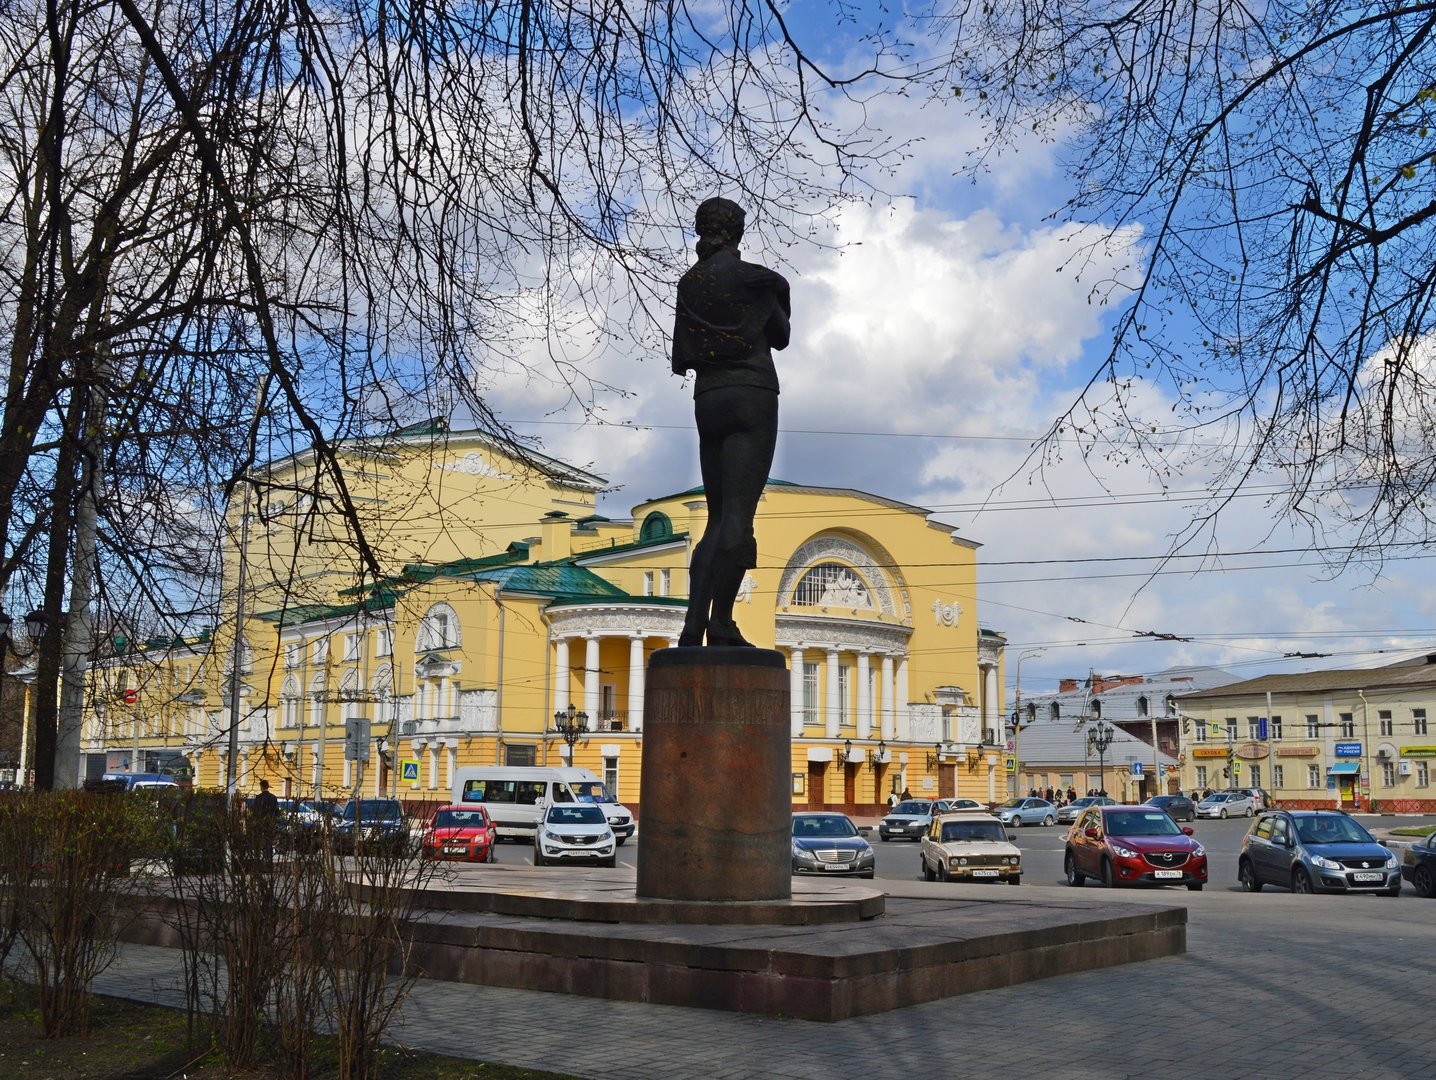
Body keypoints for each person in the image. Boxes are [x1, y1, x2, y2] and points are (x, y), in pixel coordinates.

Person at [671, 197, 790, 647]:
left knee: (717, 516)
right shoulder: (755, 278)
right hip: (752, 393)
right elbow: (781, 336)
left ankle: (692, 626)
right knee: (739, 517)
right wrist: (780, 287)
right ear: (739, 231)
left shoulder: (690, 282)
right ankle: (719, 622)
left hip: (708, 399)